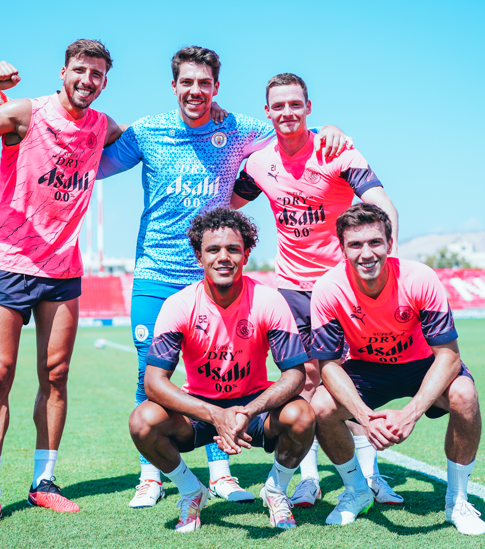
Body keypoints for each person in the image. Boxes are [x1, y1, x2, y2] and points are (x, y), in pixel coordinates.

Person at [98, 46, 350, 508]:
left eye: (205, 83)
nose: (196, 91)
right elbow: (96, 165)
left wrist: (325, 131)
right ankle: (151, 476)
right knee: (147, 373)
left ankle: (220, 473)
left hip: (218, 275)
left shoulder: (238, 129)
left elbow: (288, 129)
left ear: (216, 87)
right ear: (174, 86)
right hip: (157, 272)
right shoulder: (148, 131)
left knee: (220, 371)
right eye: (187, 83)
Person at [0, 39, 123, 532]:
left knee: (56, 375)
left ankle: (44, 483)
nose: (88, 80)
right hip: (8, 262)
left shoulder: (104, 126)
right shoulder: (24, 113)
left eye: (98, 74)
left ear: (105, 81)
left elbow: (152, 140)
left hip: (63, 270)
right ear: (64, 71)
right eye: (81, 70)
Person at [231, 73, 402, 508]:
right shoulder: (258, 163)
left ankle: (370, 478)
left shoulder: (337, 149)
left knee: (349, 383)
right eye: (278, 106)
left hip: (340, 288)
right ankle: (310, 479)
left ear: (308, 107)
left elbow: (381, 202)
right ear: (267, 112)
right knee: (304, 381)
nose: (287, 113)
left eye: (295, 104)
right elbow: (226, 201)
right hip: (290, 287)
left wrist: (384, 261)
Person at [128, 208, 314, 532]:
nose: (223, 257)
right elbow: (154, 383)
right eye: (213, 249)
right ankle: (191, 490)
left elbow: (295, 374)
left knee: (303, 415)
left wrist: (248, 410)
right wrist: (216, 415)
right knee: (143, 421)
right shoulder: (179, 305)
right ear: (199, 257)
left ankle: (275, 490)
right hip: (200, 407)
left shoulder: (268, 301)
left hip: (252, 406)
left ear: (246, 254)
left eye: (233, 249)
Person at [308, 204, 485, 534]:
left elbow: (448, 356)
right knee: (319, 406)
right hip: (367, 368)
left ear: (390, 244)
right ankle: (357, 491)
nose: (366, 253)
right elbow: (329, 365)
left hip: (422, 365)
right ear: (342, 248)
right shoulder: (328, 288)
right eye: (355, 245)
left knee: (464, 394)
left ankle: (457, 500)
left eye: (375, 242)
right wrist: (364, 416)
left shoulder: (419, 278)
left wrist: (410, 414)